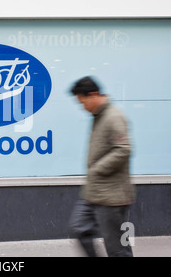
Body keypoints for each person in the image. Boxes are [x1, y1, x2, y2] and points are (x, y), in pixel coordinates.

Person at [68, 76, 135, 257]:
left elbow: (123, 149)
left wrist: (98, 169)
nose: (83, 107)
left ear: (94, 95)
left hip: (113, 197)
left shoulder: (114, 116)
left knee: (117, 247)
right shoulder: (98, 116)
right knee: (79, 228)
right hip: (93, 192)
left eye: (83, 102)